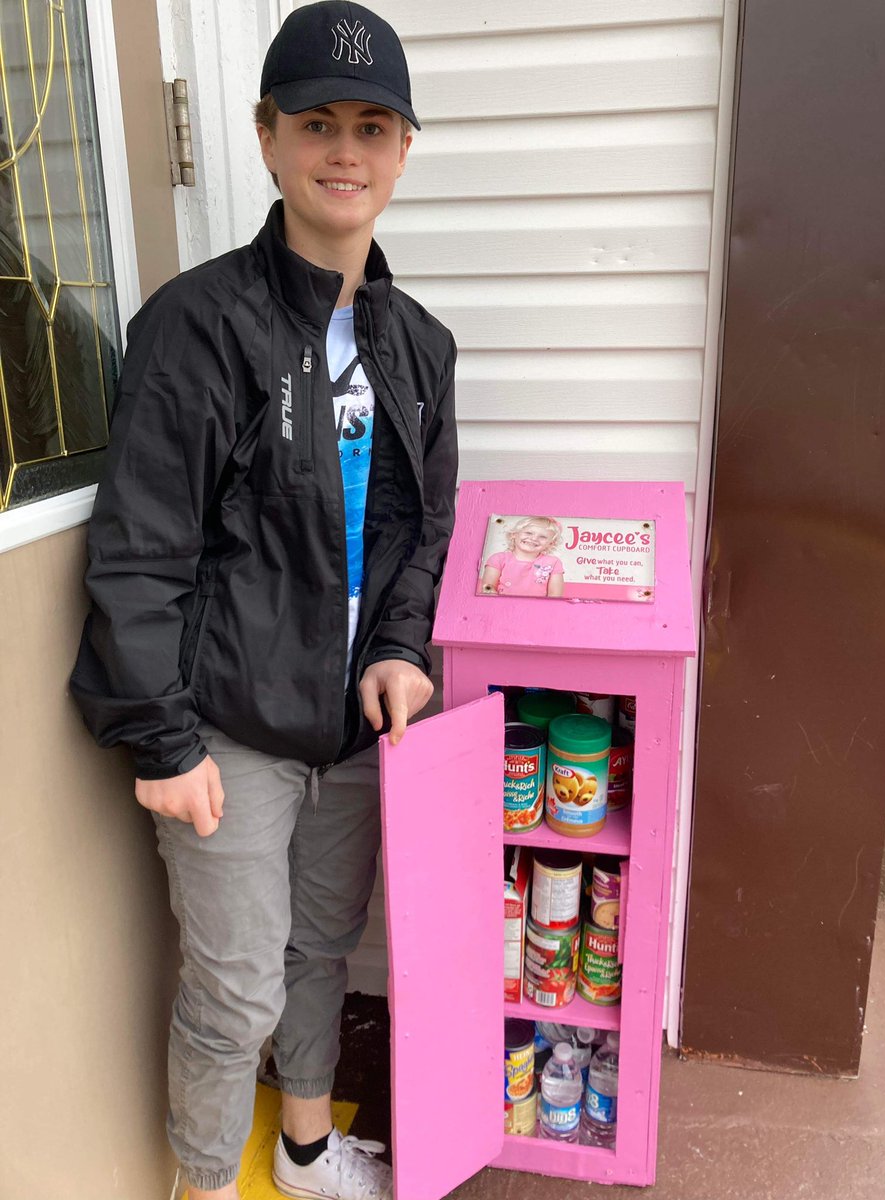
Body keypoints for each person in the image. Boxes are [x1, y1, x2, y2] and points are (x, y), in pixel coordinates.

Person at [69, 4, 457, 1198]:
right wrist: (164, 738)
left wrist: (398, 649)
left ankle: (300, 1151)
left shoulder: (421, 346)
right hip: (226, 737)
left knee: (320, 956)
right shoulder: (199, 326)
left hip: (347, 731)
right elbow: (140, 549)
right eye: (316, 122)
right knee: (232, 986)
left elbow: (422, 527)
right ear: (267, 136)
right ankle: (201, 1181)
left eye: (371, 125)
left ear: (402, 150)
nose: (345, 149)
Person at [479, 516, 565, 597]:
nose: (534, 538)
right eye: (529, 533)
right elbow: (488, 588)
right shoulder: (498, 558)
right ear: (514, 534)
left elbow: (555, 595)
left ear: (550, 544)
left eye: (542, 537)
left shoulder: (553, 562)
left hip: (537, 609)